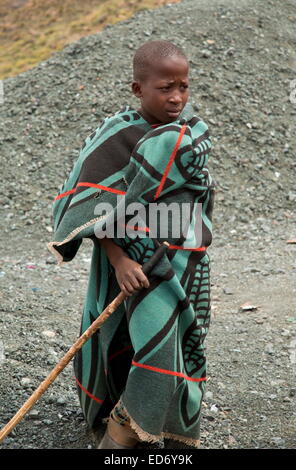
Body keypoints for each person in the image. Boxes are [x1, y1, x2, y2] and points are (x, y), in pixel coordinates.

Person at [48, 40, 215, 449]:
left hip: (185, 264)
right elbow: (87, 202)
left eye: (183, 86)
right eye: (165, 88)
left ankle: (165, 426)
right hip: (133, 265)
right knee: (149, 346)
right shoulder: (117, 135)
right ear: (138, 89)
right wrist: (118, 258)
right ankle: (122, 433)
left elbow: (197, 202)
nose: (176, 97)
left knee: (180, 342)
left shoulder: (190, 135)